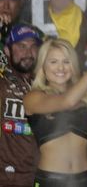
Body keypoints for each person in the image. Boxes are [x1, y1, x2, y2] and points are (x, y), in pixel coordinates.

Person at [23, 32, 87, 186]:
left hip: (85, 181)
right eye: (53, 61)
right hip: (51, 182)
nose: (60, 67)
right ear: (43, 67)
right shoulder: (33, 98)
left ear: (73, 65)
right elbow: (67, 101)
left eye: (66, 61)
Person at [0, 24, 42, 186]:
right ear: (7, 50)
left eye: (33, 46)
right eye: (21, 46)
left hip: (40, 178)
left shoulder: (48, 83)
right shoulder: (3, 83)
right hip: (8, 179)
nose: (28, 52)